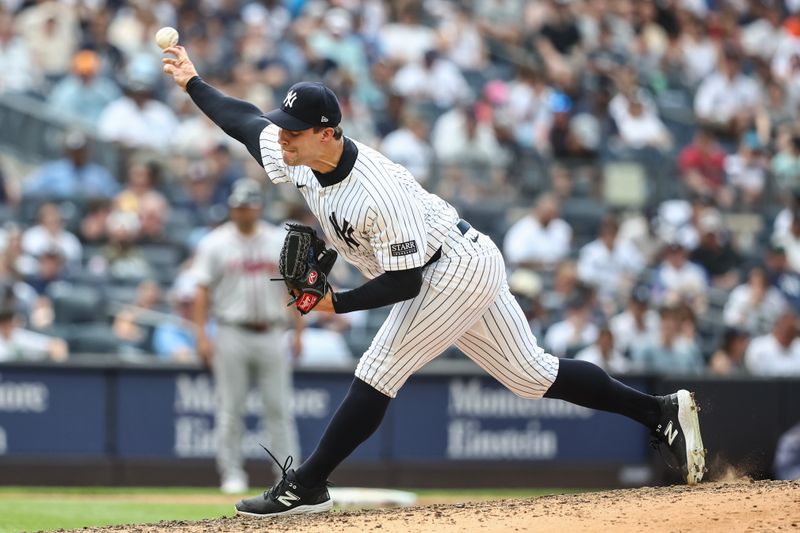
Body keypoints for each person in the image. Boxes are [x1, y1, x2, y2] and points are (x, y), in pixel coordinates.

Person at [162, 46, 706, 517]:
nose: (282, 137)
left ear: (328, 133)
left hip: (451, 270)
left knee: (378, 368)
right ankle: (658, 411)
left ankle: (308, 484)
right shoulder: (297, 157)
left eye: (295, 131)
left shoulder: (378, 190)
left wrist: (337, 303)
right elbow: (243, 121)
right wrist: (192, 80)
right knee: (531, 374)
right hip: (460, 259)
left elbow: (404, 282)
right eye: (285, 127)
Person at [190, 178, 302, 495]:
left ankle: (287, 475)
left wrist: (299, 331)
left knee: (279, 408)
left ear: (259, 206)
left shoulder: (278, 239)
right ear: (231, 208)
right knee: (230, 408)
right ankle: (231, 472)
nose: (244, 211)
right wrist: (201, 335)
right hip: (231, 330)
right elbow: (201, 292)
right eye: (239, 206)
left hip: (273, 330)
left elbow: (295, 288)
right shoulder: (214, 242)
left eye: (249, 205)